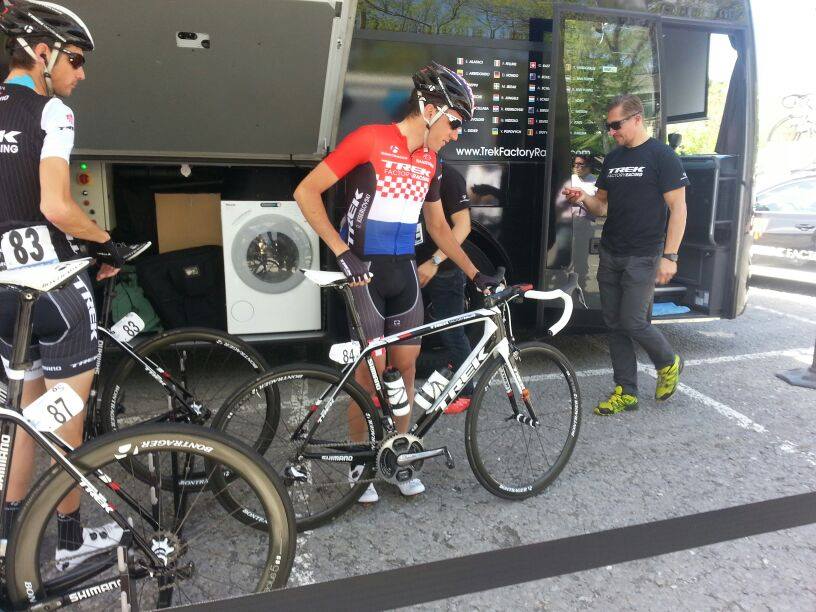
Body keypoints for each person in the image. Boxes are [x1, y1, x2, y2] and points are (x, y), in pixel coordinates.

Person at [294, 62, 498, 502]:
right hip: (364, 273)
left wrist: (475, 274)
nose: (457, 133)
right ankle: (359, 462)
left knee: (405, 369)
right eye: (455, 122)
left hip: (403, 273)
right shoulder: (369, 139)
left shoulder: (431, 161)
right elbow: (305, 192)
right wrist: (342, 251)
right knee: (369, 377)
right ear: (429, 109)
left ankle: (400, 455)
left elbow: (439, 228)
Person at [0, 0, 126, 572]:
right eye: (75, 60)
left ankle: (9, 542)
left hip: (4, 297)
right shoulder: (52, 111)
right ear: (41, 53)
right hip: (53, 292)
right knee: (64, 420)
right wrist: (105, 243)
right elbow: (56, 205)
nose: (82, 73)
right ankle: (72, 540)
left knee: (25, 419)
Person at [563, 94, 688, 416]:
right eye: (609, 126)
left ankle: (668, 361)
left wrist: (670, 256)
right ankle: (626, 391)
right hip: (611, 251)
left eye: (616, 125)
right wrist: (582, 198)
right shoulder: (614, 158)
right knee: (614, 324)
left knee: (633, 321)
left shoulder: (662, 156)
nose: (612, 131)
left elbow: (678, 208)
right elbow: (601, 206)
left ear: (637, 119)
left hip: (644, 254)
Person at [416, 163, 474, 414]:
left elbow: (463, 226)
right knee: (401, 332)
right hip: (407, 266)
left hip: (444, 270)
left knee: (452, 331)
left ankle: (467, 391)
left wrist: (434, 262)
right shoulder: (408, 170)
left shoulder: (448, 175)